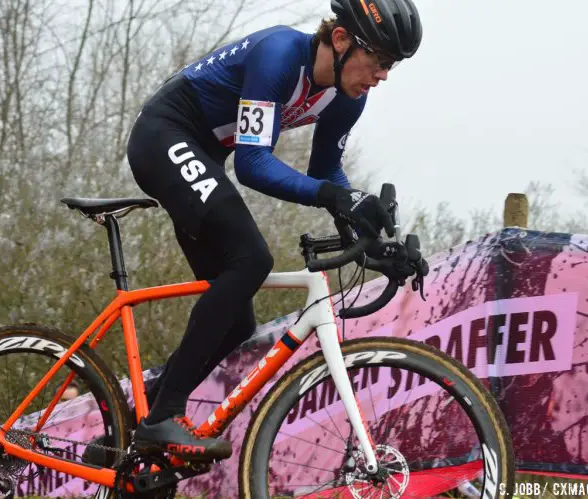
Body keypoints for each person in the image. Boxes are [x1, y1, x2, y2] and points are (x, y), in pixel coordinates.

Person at [125, 0, 423, 461]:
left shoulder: (348, 98)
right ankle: (163, 416)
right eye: (380, 60)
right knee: (252, 259)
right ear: (341, 39)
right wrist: (337, 198)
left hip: (202, 155)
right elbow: (253, 163)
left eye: (392, 65)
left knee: (236, 323)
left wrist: (372, 236)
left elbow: (327, 172)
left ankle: (132, 423)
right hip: (163, 136)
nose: (383, 74)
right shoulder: (280, 54)